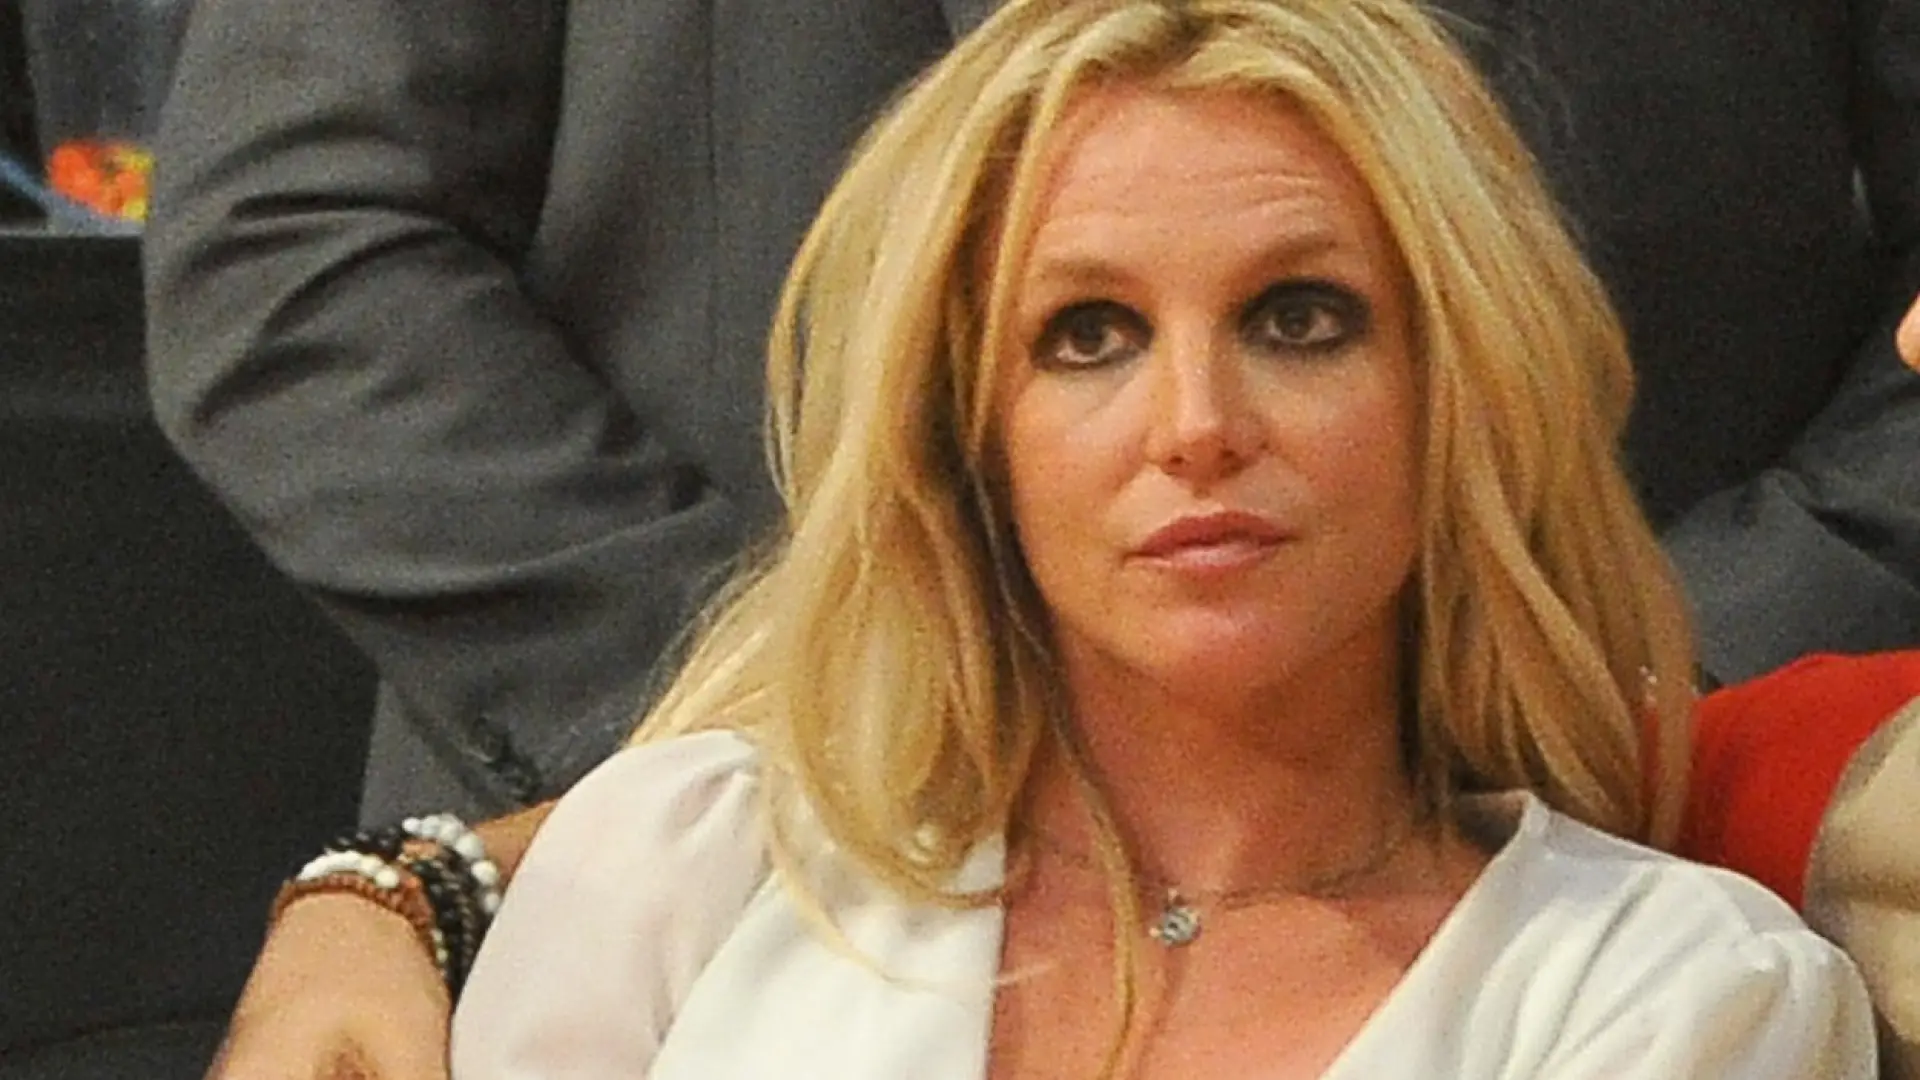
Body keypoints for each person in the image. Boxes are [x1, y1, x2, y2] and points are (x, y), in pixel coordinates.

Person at [146, 0, 1920, 1074]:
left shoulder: (1687, 994)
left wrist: (1638, 685)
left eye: (1301, 318)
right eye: (1083, 335)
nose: (1196, 421)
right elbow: (302, 244)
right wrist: (815, 752)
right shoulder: (673, 881)